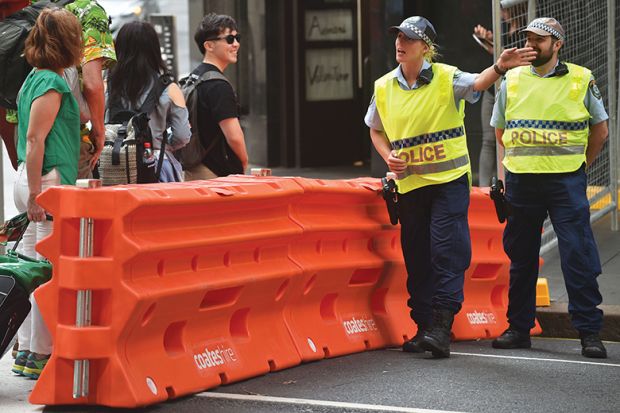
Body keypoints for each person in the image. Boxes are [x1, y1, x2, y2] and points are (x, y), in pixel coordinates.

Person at [365, 16, 535, 358]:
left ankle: (441, 327)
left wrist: (499, 67)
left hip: (448, 182)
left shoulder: (446, 77)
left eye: (409, 39)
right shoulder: (384, 86)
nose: (400, 43)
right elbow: (375, 129)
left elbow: (476, 84)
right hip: (412, 186)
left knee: (446, 251)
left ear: (426, 48)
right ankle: (424, 326)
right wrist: (388, 157)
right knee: (417, 257)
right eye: (398, 37)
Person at [490, 18, 609, 358]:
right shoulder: (511, 79)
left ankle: (589, 332)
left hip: (565, 180)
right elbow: (500, 131)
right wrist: (505, 174)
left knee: (577, 255)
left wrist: (580, 166)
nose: (531, 44)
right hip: (521, 180)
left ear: (557, 44)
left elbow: (600, 130)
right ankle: (519, 328)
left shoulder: (580, 78)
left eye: (539, 40)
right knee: (521, 257)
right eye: (528, 38)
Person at [11, 7, 83, 379]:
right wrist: (39, 195)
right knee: (46, 274)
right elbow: (35, 138)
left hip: (34, 179)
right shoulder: (52, 83)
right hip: (48, 182)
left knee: (28, 269)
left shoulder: (33, 79)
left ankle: (24, 350)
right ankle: (40, 352)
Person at [1, 0, 116, 178]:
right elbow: (92, 84)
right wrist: (99, 132)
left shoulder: (26, 5)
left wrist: (15, 146)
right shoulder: (88, 10)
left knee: (36, 199)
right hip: (65, 138)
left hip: (22, 133)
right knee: (71, 202)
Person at [106, 21, 191, 182]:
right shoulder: (170, 88)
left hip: (116, 164)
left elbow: (104, 125)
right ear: (153, 49)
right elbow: (182, 135)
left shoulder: (109, 86)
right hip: (156, 163)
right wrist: (162, 143)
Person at [183, 13, 249, 181]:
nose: (236, 44)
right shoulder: (218, 85)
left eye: (237, 38)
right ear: (209, 45)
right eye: (229, 39)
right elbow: (234, 135)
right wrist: (244, 161)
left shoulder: (193, 78)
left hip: (192, 166)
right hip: (215, 174)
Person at [473, 0, 527, 186]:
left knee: (510, 140)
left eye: (503, 9)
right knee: (488, 140)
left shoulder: (527, 30)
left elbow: (514, 59)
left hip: (515, 91)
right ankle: (484, 188)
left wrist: (490, 44)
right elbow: (500, 57)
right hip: (493, 89)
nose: (501, 13)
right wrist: (488, 38)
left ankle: (508, 185)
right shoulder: (503, 27)